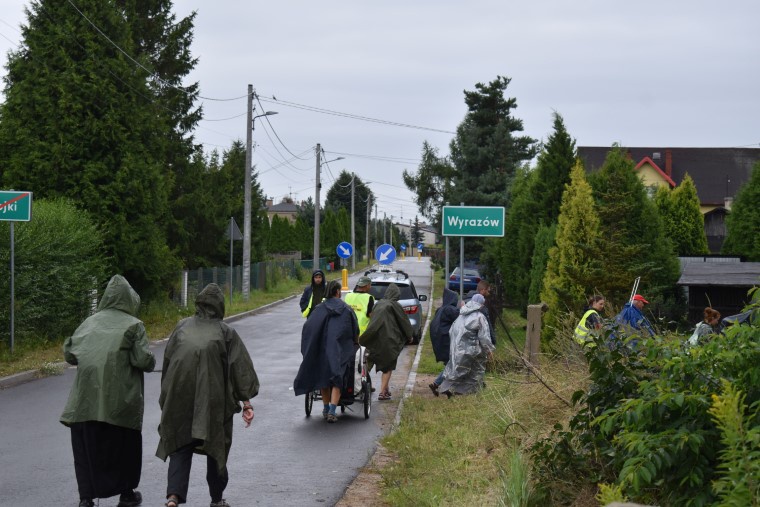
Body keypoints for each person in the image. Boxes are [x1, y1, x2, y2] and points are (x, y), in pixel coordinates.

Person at [156, 283, 259, 507]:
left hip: (179, 396)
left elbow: (167, 362)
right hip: (213, 402)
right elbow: (239, 370)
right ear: (219, 306)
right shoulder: (225, 332)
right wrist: (247, 403)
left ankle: (173, 496)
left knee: (180, 446)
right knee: (216, 447)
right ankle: (216, 499)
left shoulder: (181, 326)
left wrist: (167, 396)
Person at [60, 274, 155, 507]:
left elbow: (69, 354)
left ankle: (85, 498)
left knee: (85, 452)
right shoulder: (134, 325)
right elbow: (144, 360)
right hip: (119, 403)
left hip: (83, 403)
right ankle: (127, 494)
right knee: (125, 449)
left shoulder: (88, 323)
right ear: (130, 300)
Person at [294, 279, 360, 423]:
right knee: (338, 378)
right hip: (340, 350)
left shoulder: (319, 309)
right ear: (337, 292)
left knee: (324, 378)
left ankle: (325, 408)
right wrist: (355, 343)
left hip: (323, 350)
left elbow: (308, 329)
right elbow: (355, 329)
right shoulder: (347, 309)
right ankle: (332, 411)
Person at [359, 283, 413, 401]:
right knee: (388, 367)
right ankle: (382, 392)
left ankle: (360, 386)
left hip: (373, 340)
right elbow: (404, 321)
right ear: (396, 295)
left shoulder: (378, 304)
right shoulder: (395, 305)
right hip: (389, 341)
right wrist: (410, 336)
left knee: (367, 363)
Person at [439, 294, 495, 397]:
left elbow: (452, 330)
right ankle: (467, 392)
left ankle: (449, 388)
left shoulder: (461, 314)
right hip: (473, 349)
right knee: (476, 371)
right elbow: (484, 337)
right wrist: (489, 350)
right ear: (481, 304)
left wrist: (455, 346)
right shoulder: (479, 317)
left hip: (457, 348)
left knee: (456, 369)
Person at [428, 287, 460, 396]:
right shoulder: (449, 309)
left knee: (450, 365)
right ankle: (438, 384)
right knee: (452, 365)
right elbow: (461, 316)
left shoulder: (441, 309)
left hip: (440, 342)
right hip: (446, 342)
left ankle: (445, 387)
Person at [463, 280, 496, 345]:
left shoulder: (465, 302)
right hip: (477, 342)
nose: (489, 293)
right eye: (488, 291)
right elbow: (487, 326)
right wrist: (493, 340)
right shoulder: (481, 307)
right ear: (483, 290)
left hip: (464, 340)